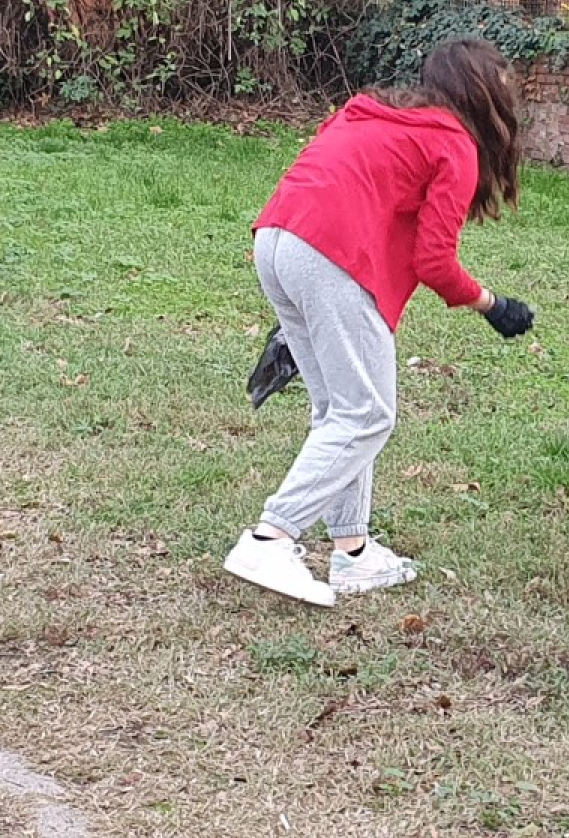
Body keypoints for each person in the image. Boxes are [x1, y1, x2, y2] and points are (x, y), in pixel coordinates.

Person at [225, 38, 537, 607]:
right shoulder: (453, 144)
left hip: (276, 239)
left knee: (339, 411)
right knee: (366, 414)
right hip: (331, 258)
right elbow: (434, 261)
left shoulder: (369, 110)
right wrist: (494, 306)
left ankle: (353, 553)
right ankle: (271, 538)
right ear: (484, 96)